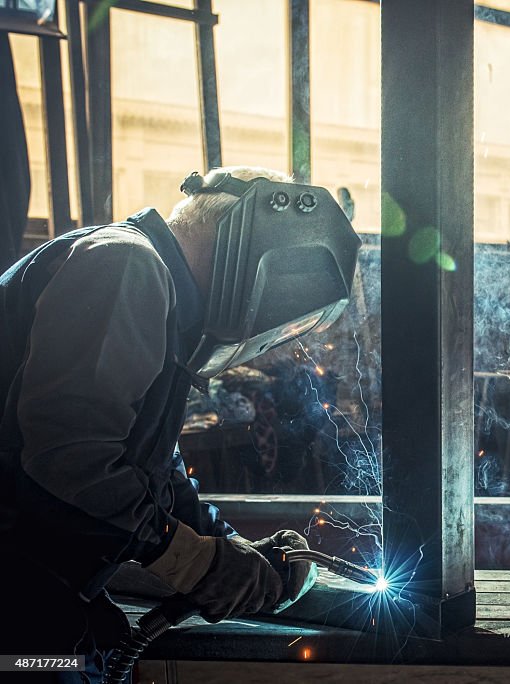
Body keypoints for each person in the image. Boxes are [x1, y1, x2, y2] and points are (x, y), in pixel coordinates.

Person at [0, 166, 360, 682]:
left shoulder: (155, 299)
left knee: (89, 651)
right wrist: (194, 563)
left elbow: (150, 471)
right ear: (257, 262)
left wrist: (231, 549)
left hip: (36, 581)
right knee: (46, 669)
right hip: (13, 603)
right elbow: (71, 462)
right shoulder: (126, 265)